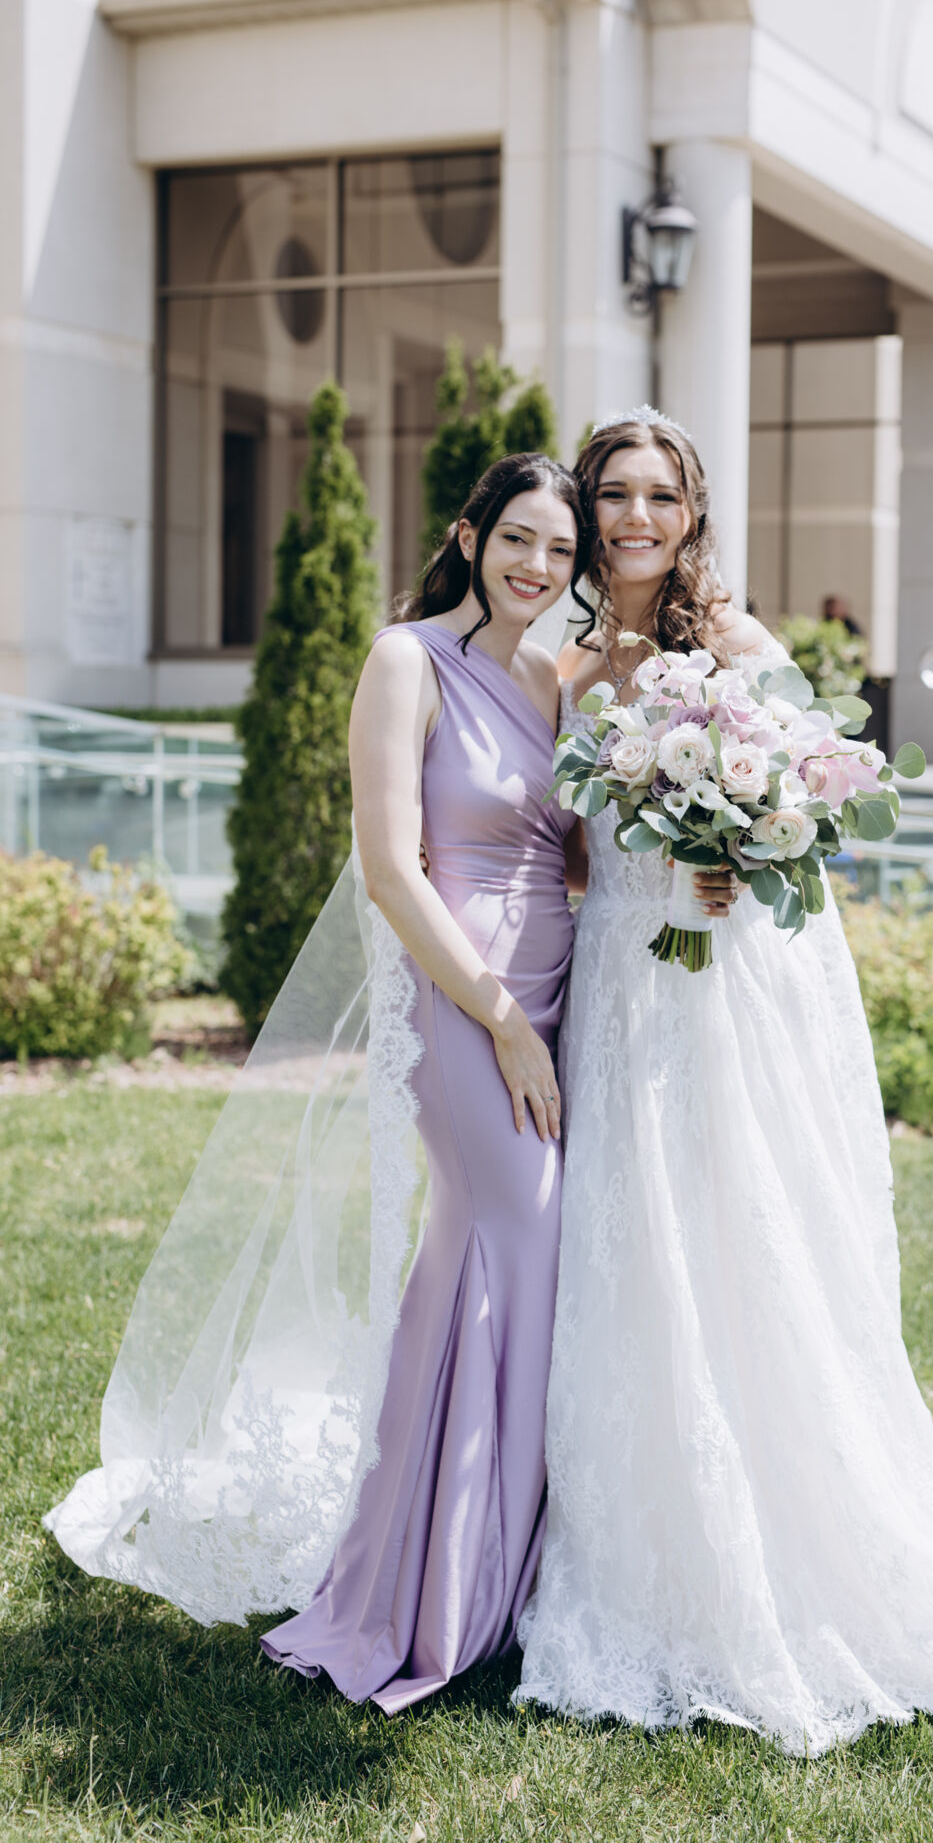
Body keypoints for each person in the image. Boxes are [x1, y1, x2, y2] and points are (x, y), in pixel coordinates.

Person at [46, 452, 587, 1714]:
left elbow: (564, 851)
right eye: (517, 538)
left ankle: (468, 1563)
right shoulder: (408, 661)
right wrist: (502, 1020)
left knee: (491, 1271)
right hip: (466, 1003)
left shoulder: (551, 679)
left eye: (559, 551)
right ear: (468, 537)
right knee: (517, 1238)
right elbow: (392, 869)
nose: (538, 566)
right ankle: (432, 1595)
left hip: (558, 994)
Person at [514, 409, 933, 1756]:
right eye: (612, 493)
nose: (634, 518)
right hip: (618, 975)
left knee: (745, 1231)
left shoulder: (734, 644)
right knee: (633, 1245)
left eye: (659, 496)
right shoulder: (561, 662)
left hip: (724, 981)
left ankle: (790, 1547)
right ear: (586, 508)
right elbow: (566, 849)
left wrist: (737, 842)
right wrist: (633, 850)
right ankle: (630, 1549)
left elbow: (817, 811)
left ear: (691, 514)